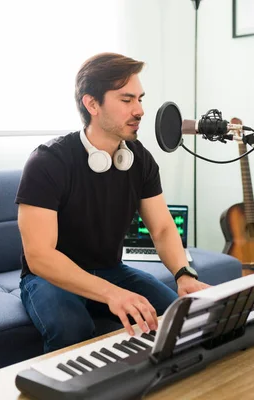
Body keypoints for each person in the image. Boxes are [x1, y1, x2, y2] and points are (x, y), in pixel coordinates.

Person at [15, 52, 210, 353]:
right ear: (92, 104)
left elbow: (161, 229)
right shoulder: (47, 161)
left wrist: (183, 274)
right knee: (72, 328)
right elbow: (39, 255)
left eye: (140, 99)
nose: (140, 110)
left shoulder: (139, 159)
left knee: (178, 317)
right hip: (49, 277)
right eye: (127, 100)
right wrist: (112, 294)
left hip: (110, 268)